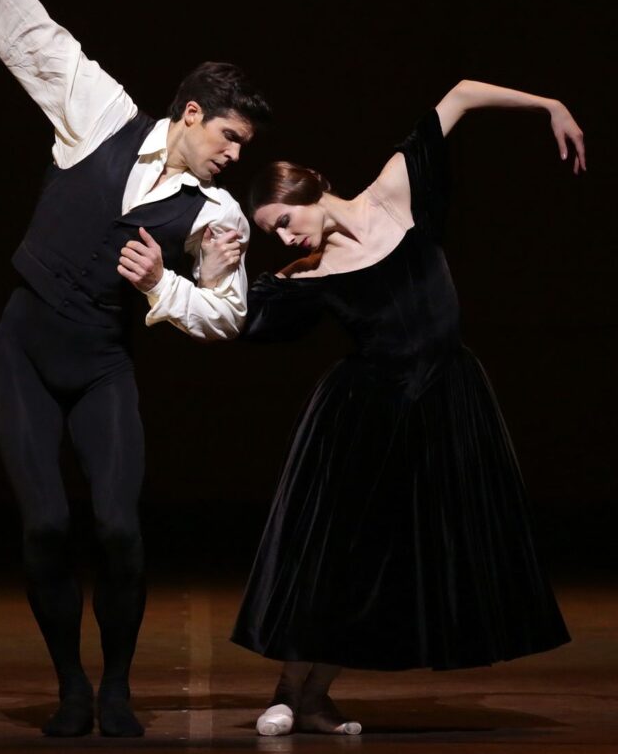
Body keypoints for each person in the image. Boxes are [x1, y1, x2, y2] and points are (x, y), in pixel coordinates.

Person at [0, 0, 269, 738]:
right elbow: (32, 36)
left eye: (244, 146)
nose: (237, 156)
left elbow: (228, 314)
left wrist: (165, 286)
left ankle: (120, 685)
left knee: (120, 525)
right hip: (23, 347)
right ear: (193, 114)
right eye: (231, 137)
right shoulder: (101, 113)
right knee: (48, 523)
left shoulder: (217, 215)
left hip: (101, 364)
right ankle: (70, 684)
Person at [220, 80, 584, 736]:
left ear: (305, 190)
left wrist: (549, 106)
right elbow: (243, 323)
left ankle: (317, 696)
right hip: (366, 411)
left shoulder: (396, 190)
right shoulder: (307, 273)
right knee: (338, 554)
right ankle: (288, 690)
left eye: (281, 222)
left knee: (391, 563)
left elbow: (463, 94)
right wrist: (214, 270)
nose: (283, 238)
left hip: (446, 400)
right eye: (273, 233)